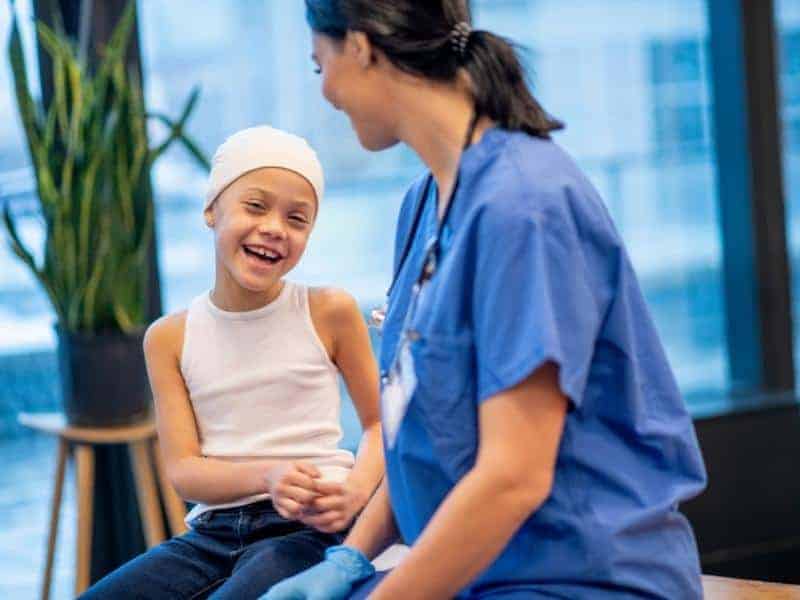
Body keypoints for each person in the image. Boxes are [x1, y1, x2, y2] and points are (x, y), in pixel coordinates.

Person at [263, 2, 707, 598]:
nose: (329, 94)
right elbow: (421, 430)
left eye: (321, 67)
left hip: (580, 577)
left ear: (362, 48)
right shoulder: (426, 204)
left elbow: (513, 478)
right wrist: (350, 560)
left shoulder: (524, 205)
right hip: (484, 572)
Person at [80, 125, 384, 600]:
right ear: (210, 209)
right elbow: (184, 470)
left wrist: (357, 492)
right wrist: (267, 474)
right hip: (212, 534)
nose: (274, 228)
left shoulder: (330, 311)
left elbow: (379, 423)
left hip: (306, 528)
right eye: (256, 206)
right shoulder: (169, 337)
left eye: (297, 218)